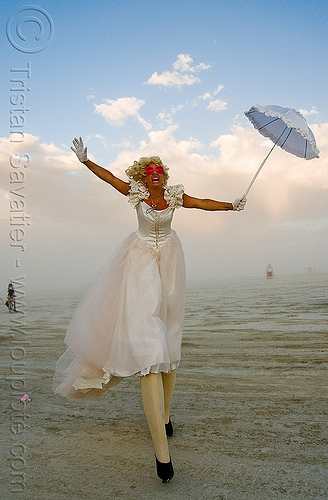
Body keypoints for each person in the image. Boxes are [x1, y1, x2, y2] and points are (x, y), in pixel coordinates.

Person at [53, 137, 246, 483]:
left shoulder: (173, 197)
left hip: (170, 263)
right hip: (140, 262)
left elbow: (201, 202)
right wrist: (86, 161)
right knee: (150, 349)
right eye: (150, 171)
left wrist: (232, 205)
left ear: (164, 177)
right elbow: (110, 178)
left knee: (170, 343)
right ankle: (162, 454)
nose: (155, 175)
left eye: (160, 171)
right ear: (144, 177)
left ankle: (166, 415)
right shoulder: (136, 194)